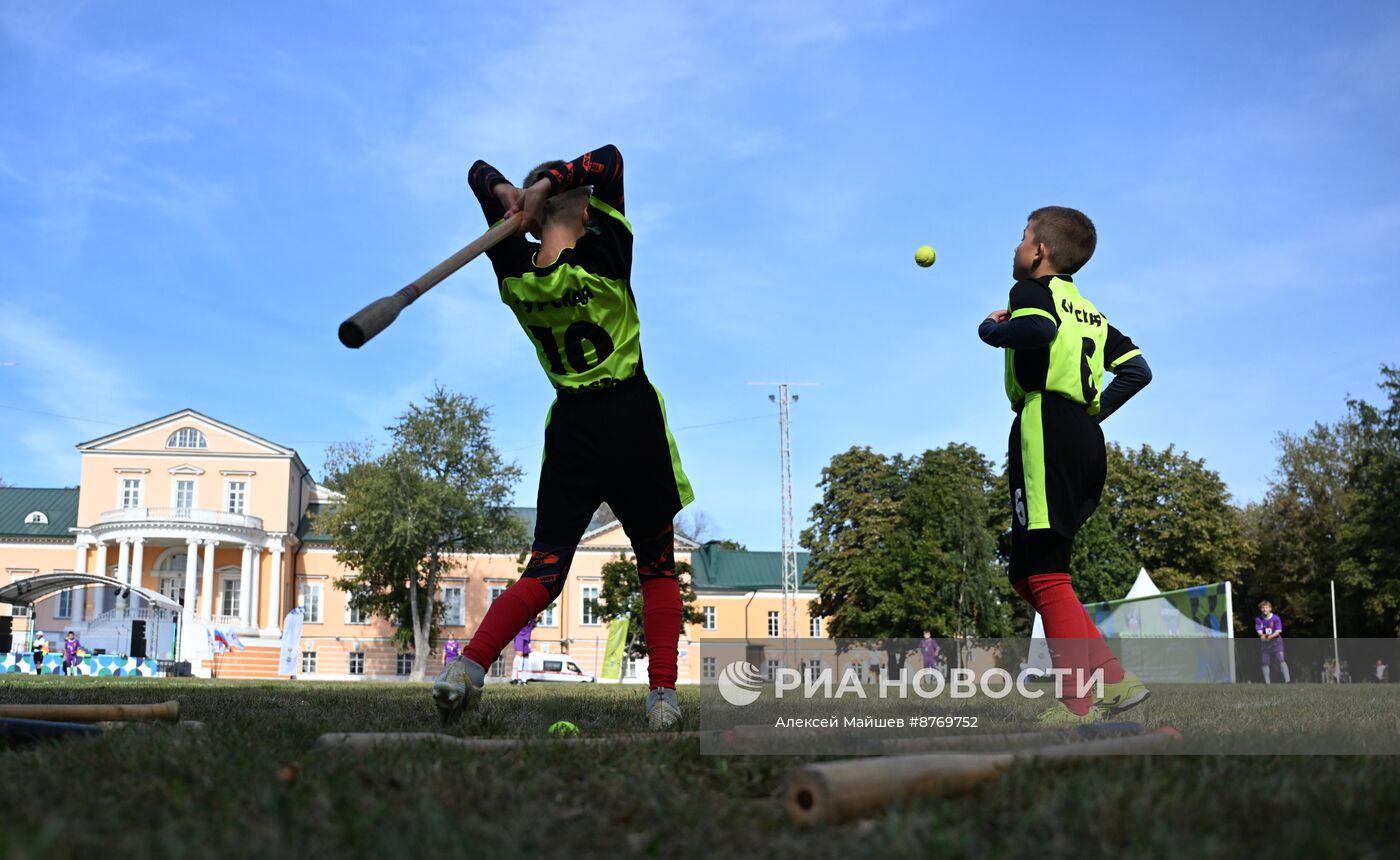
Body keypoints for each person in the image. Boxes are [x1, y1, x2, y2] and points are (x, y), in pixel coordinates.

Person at [434, 145, 694, 730]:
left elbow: (477, 173)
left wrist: (507, 199)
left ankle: (469, 668)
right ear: (582, 214)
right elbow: (611, 160)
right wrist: (551, 182)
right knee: (655, 566)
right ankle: (662, 700)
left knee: (545, 570)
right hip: (631, 418)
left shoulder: (515, 273)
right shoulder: (607, 254)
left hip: (573, 431)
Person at [979, 207, 1153, 724]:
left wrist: (990, 331)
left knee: (1048, 575)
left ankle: (1080, 705)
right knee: (1027, 575)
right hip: (1083, 435)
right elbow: (1136, 369)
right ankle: (1111, 678)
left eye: (1022, 237)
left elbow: (1034, 330)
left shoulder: (1031, 292)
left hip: (1045, 430)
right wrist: (1092, 408)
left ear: (1040, 252)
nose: (1016, 246)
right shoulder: (1091, 313)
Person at [1255, 600, 1290, 683]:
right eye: (1262, 608)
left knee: (1281, 660)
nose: (1264, 609)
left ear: (1270, 608)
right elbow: (1259, 631)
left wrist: (1268, 637)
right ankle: (1267, 683)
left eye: (1266, 607)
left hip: (1276, 643)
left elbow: (1277, 632)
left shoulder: (1276, 618)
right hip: (1266, 645)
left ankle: (1287, 681)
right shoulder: (1258, 619)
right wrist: (1262, 636)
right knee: (1264, 662)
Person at [510, 618, 536, 684]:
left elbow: (535, 621)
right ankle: (514, 678)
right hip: (519, 634)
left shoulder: (534, 615)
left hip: (527, 636)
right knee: (519, 653)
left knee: (526, 656)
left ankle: (524, 680)